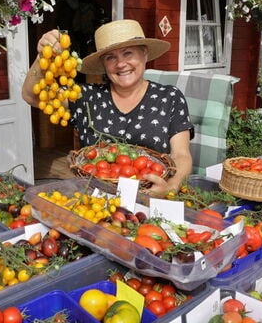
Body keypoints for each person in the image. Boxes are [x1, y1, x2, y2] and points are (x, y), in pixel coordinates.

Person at [22, 19, 193, 197]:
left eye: (128, 53)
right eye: (111, 57)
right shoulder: (85, 97)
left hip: (152, 198)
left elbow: (181, 155)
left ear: (145, 54)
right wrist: (42, 56)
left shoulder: (169, 97)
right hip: (95, 201)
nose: (120, 64)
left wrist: (171, 187)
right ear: (104, 65)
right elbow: (31, 95)